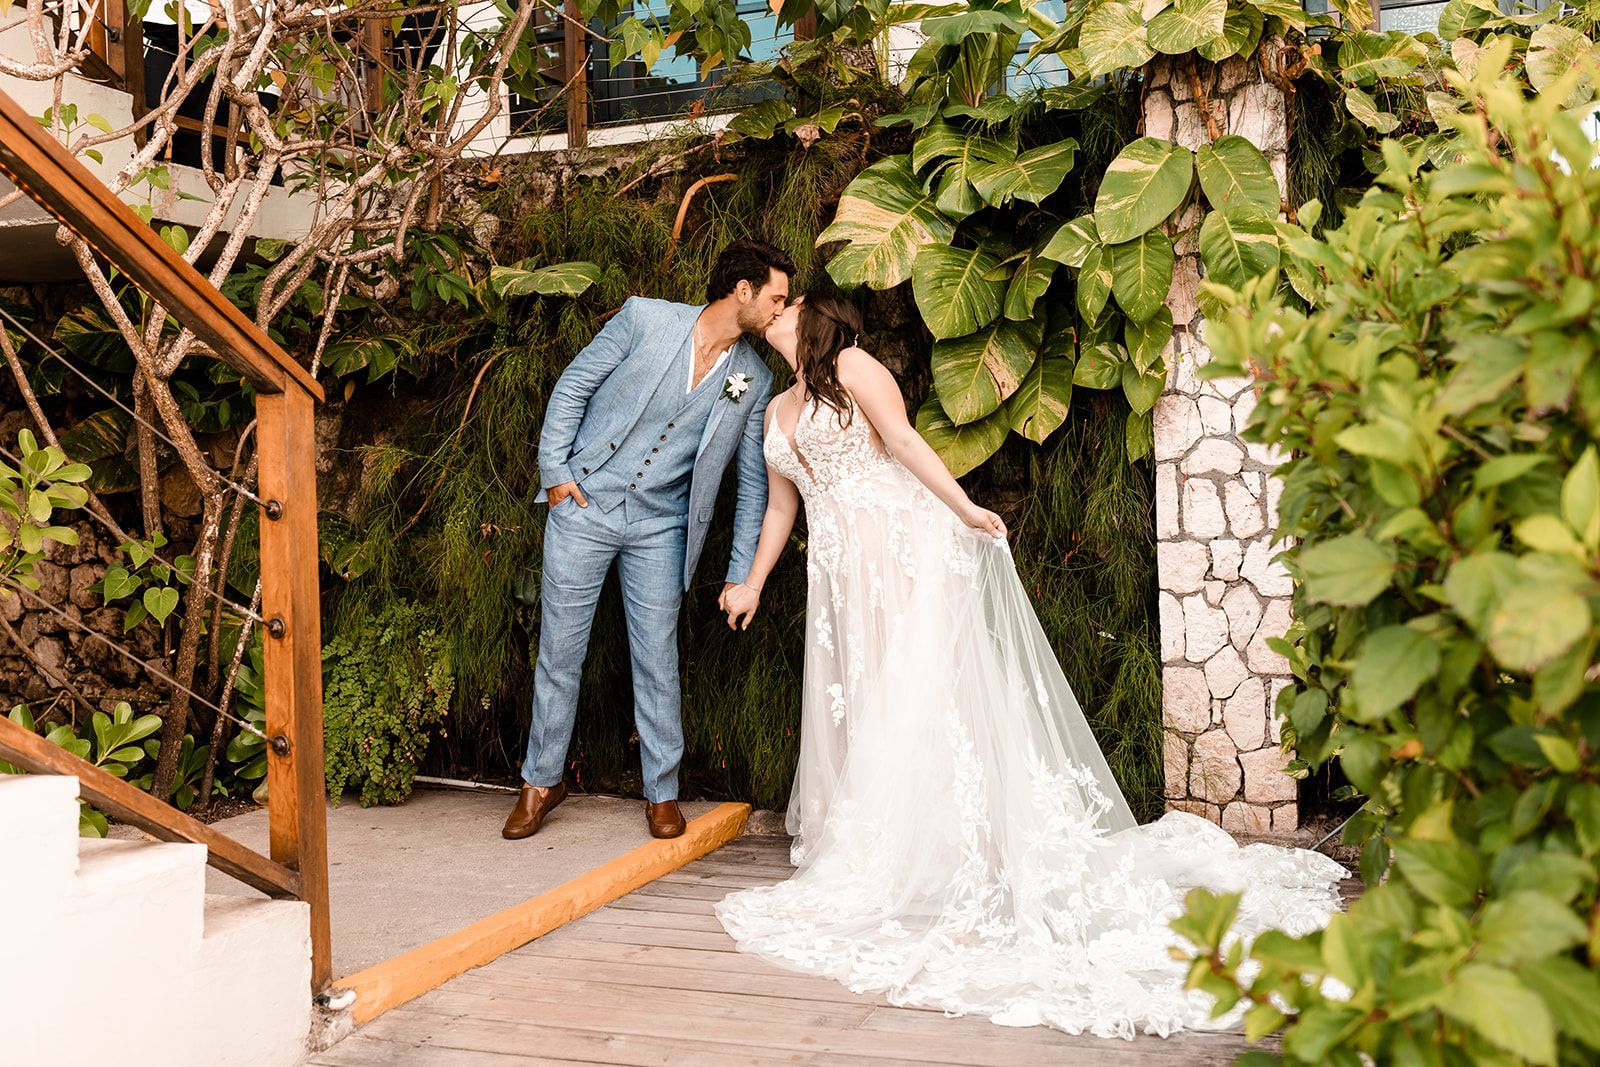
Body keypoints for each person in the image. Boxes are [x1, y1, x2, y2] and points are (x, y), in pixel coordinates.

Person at [713, 293, 1348, 1038]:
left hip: (902, 551)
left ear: (816, 324)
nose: (777, 314)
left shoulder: (854, 366)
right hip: (840, 575)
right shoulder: (775, 410)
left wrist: (963, 510)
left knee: (916, 696)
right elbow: (783, 506)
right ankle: (896, 842)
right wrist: (753, 580)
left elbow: (909, 446)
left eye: (789, 308)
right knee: (871, 699)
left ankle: (949, 851)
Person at [504, 240, 794, 841]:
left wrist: (742, 573)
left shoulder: (754, 377)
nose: (779, 311)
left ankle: (661, 791)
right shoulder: (643, 318)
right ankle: (540, 781)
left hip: (662, 528)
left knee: (658, 659)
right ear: (742, 290)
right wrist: (556, 475)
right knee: (560, 652)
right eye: (776, 298)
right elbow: (572, 388)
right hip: (586, 506)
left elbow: (749, 483)